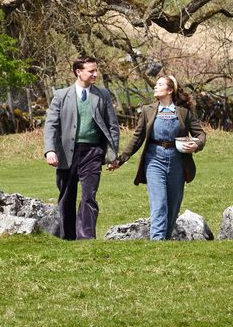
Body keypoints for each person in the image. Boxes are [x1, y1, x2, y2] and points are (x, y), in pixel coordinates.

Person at [108, 75, 206, 240]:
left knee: (173, 205)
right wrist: (120, 159)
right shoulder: (148, 110)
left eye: (160, 84)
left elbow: (200, 134)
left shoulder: (184, 112)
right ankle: (157, 241)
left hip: (178, 162)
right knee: (159, 203)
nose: (155, 87)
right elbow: (137, 138)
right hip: (154, 161)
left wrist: (196, 145)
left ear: (169, 90)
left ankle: (165, 241)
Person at [43, 56, 120, 240]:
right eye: (91, 71)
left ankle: (86, 237)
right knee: (67, 195)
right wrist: (50, 150)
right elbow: (51, 124)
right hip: (66, 153)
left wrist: (112, 154)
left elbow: (113, 126)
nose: (95, 74)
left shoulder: (103, 95)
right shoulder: (61, 96)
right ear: (79, 72)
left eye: (96, 70)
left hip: (93, 152)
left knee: (89, 195)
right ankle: (67, 236)